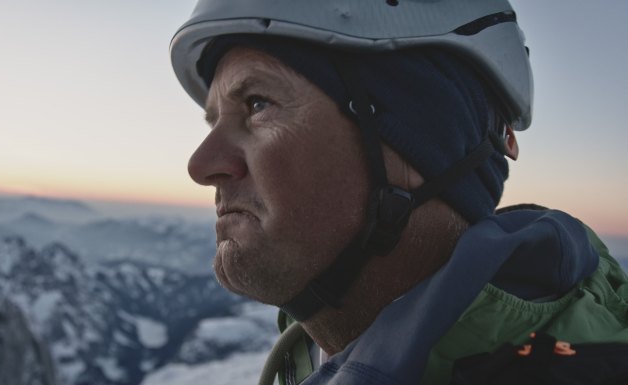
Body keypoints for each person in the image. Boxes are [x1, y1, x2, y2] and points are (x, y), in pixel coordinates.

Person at [170, 1, 628, 384]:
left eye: (257, 104)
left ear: (416, 144)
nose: (201, 165)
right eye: (214, 121)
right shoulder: (311, 359)